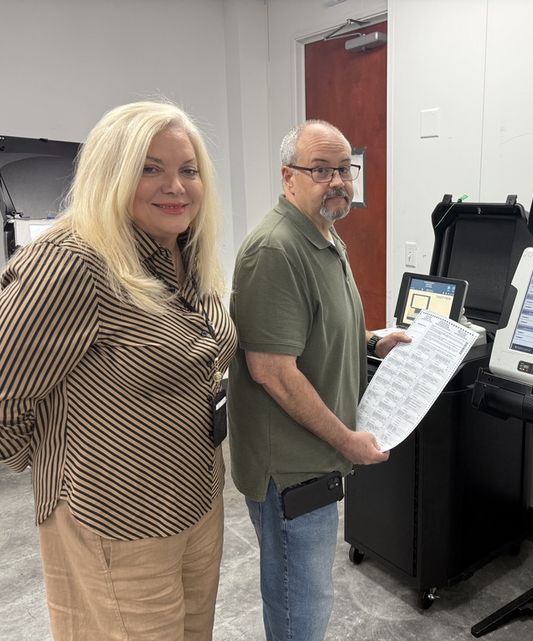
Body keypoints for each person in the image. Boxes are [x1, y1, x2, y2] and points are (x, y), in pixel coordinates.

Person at [0, 101, 237, 641]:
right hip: (117, 515)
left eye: (188, 170)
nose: (175, 186)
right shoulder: (75, 260)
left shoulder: (185, 246)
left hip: (197, 498)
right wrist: (56, 460)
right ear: (112, 173)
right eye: (149, 168)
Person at [229, 120, 409, 641]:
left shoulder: (326, 236)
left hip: (315, 456)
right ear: (289, 178)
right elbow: (272, 370)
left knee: (308, 594)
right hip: (289, 466)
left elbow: (312, 333)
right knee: (299, 605)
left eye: (344, 170)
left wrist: (373, 340)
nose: (338, 181)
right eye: (321, 170)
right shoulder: (276, 250)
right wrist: (348, 441)